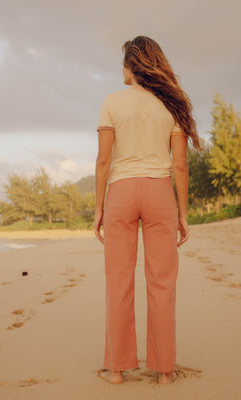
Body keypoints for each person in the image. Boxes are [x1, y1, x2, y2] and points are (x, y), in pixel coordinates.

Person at [94, 36, 204, 385]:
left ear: (133, 64)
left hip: (122, 194)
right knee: (162, 284)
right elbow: (180, 166)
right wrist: (183, 214)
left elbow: (103, 161)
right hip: (160, 195)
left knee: (119, 282)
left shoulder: (111, 102)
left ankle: (116, 369)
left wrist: (98, 209)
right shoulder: (172, 105)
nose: (121, 68)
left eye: (124, 62)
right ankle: (165, 372)